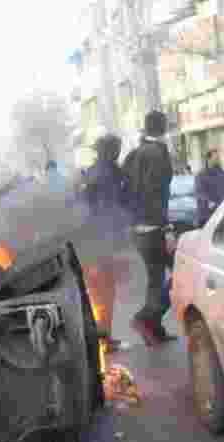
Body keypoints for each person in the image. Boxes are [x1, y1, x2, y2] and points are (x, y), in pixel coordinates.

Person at [123, 110, 177, 347]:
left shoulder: (135, 153)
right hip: (153, 227)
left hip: (137, 228)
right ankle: (146, 318)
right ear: (163, 128)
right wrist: (166, 228)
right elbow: (154, 192)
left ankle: (153, 328)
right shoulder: (155, 153)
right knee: (183, 271)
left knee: (156, 278)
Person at [82, 133, 134, 353]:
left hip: (89, 242)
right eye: (117, 149)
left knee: (96, 293)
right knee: (105, 293)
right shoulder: (111, 173)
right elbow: (114, 207)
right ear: (112, 151)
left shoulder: (91, 172)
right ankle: (104, 340)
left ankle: (100, 339)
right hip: (103, 242)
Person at [194, 149, 224, 228]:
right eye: (215, 158)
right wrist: (210, 202)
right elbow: (199, 192)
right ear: (208, 159)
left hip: (221, 213)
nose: (217, 160)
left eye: (218, 158)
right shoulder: (201, 175)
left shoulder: (222, 173)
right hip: (206, 215)